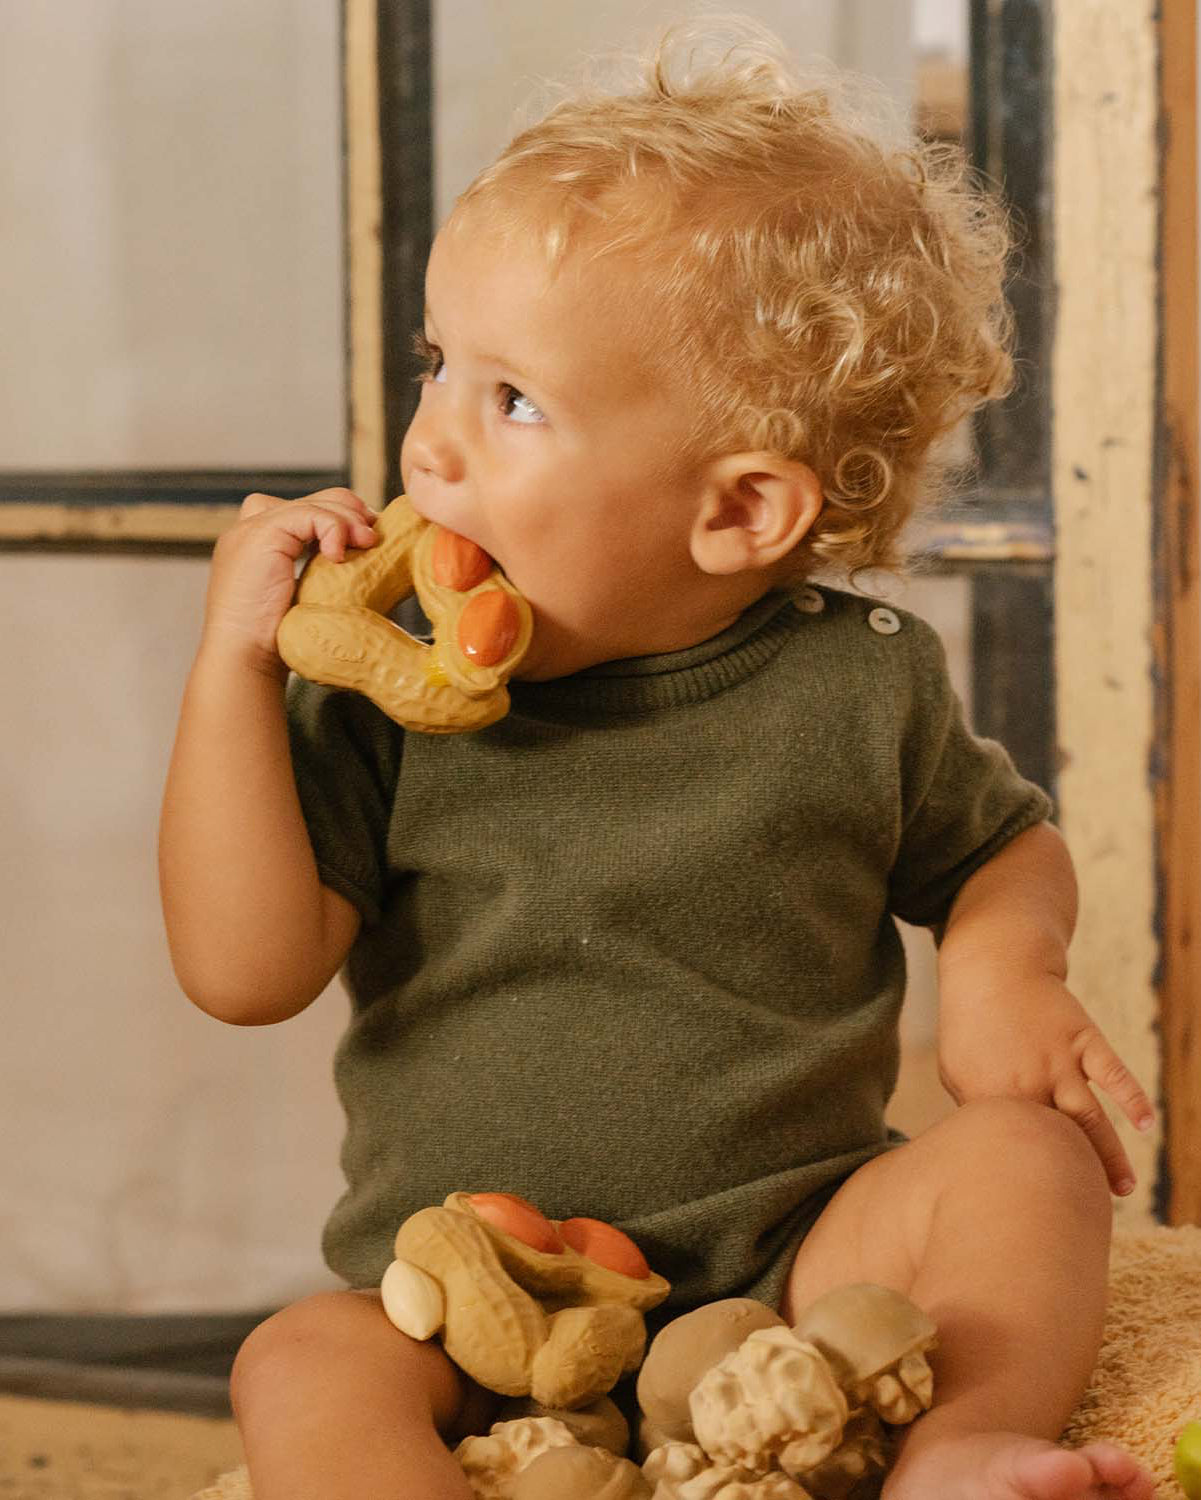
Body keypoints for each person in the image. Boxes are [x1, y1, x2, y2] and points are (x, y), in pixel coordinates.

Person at [159, 20, 1158, 1500]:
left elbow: (1000, 847)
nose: (428, 447)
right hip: (468, 1290)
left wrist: (1007, 971)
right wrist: (230, 673)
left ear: (737, 513)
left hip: (800, 1256)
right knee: (298, 1363)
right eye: (438, 366)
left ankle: (958, 1454)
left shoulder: (855, 683)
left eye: (511, 401)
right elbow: (243, 973)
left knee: (1026, 1164)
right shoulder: (377, 699)